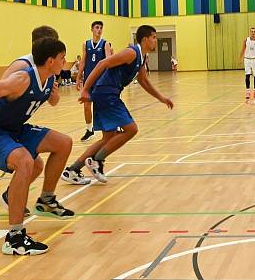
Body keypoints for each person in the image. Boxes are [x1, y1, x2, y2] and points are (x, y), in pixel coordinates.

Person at [0, 37, 75, 255]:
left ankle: (46, 200)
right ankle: (15, 238)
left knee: (64, 143)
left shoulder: (48, 78)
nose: (66, 62)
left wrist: (52, 96)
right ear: (51, 60)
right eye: (63, 58)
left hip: (15, 128)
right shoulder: (22, 78)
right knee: (26, 162)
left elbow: (49, 100)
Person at [0, 26, 76, 213]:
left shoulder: (48, 72)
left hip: (14, 126)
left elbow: (53, 100)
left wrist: (52, 93)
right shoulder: (22, 68)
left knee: (38, 162)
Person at [63, 25, 173, 184]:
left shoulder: (141, 58)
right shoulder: (131, 53)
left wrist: (161, 98)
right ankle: (96, 160)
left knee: (108, 137)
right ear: (144, 39)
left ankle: (72, 170)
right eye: (154, 37)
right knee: (131, 129)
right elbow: (102, 64)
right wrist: (86, 89)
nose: (156, 40)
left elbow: (144, 81)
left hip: (108, 93)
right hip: (106, 93)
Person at [76, 21, 113, 142]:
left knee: (103, 106)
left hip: (101, 80)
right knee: (87, 106)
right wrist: (78, 77)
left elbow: (108, 62)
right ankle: (89, 130)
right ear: (92, 29)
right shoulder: (86, 44)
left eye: (101, 28)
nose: (99, 30)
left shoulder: (105, 44)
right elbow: (83, 62)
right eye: (97, 27)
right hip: (88, 80)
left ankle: (111, 127)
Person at [239, 27, 255, 101]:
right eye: (252, 31)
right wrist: (240, 58)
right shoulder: (246, 40)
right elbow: (242, 49)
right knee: (247, 75)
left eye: (254, 31)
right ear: (250, 33)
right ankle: (247, 92)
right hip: (247, 59)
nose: (253, 33)